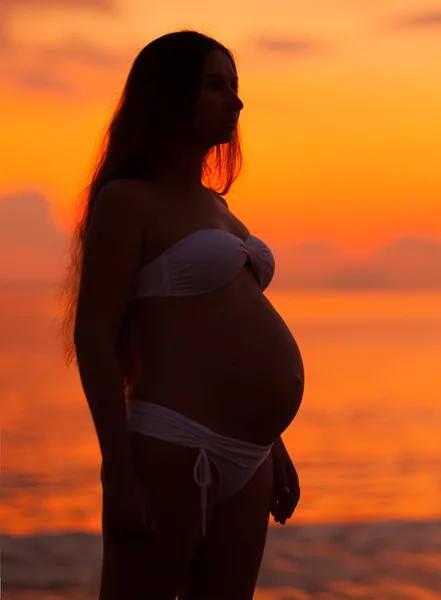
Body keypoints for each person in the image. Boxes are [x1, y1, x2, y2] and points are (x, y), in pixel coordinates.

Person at [60, 30, 304, 600]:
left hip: (250, 455)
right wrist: (116, 468)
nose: (235, 102)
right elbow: (95, 334)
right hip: (174, 444)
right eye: (215, 87)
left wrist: (273, 441)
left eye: (235, 87)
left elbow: (222, 326)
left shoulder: (218, 207)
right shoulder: (128, 201)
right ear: (170, 97)